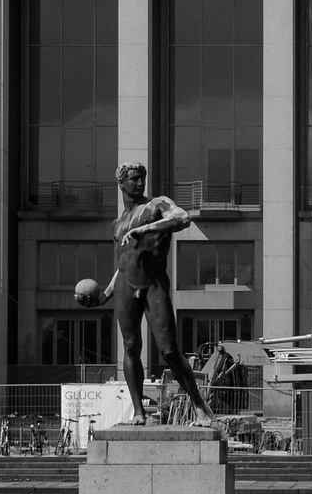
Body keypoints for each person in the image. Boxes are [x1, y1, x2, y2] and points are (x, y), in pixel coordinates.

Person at [74, 162, 214, 427]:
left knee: (169, 350)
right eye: (135, 179)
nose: (140, 183)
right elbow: (122, 264)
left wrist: (146, 228)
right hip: (126, 286)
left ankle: (199, 406)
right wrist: (103, 296)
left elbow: (183, 218)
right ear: (122, 183)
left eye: (142, 178)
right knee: (129, 347)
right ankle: (138, 412)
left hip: (153, 284)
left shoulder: (157, 205)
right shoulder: (117, 224)